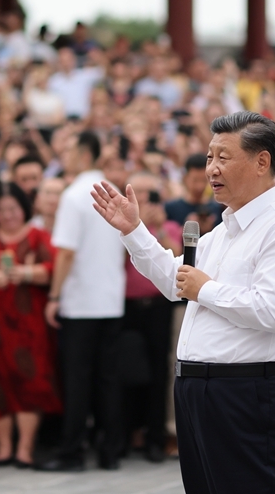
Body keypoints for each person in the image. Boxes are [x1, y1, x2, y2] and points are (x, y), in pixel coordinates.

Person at [91, 111, 275, 494]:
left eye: (223, 157)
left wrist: (206, 290)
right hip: (200, 392)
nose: (211, 168)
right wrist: (134, 231)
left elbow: (273, 310)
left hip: (251, 393)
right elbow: (176, 281)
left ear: (262, 161)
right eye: (210, 157)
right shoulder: (224, 230)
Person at [38, 131, 127, 472]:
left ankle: (72, 452)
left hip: (80, 302)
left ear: (85, 155)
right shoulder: (113, 192)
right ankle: (110, 452)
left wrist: (54, 295)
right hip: (111, 299)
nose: (65, 154)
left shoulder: (75, 195)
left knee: (77, 380)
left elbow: (65, 253)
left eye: (70, 150)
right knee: (108, 379)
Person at [0, 182, 60, 468]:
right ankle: (3, 447)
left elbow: (54, 269)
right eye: (1, 210)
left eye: (13, 209)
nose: (8, 215)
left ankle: (25, 448)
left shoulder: (39, 236)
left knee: (31, 379)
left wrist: (26, 273)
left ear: (24, 209)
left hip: (29, 323)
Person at [119, 172, 182, 464]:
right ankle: (126, 433)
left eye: (149, 193)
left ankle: (155, 438)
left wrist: (156, 229)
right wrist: (135, 229)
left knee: (159, 370)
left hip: (159, 306)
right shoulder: (120, 225)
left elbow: (178, 260)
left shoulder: (170, 226)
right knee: (126, 370)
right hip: (127, 306)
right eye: (138, 191)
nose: (144, 198)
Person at [164, 153, 222, 233]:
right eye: (195, 180)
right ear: (185, 178)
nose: (200, 186)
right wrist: (186, 230)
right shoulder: (170, 208)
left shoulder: (217, 208)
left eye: (203, 180)